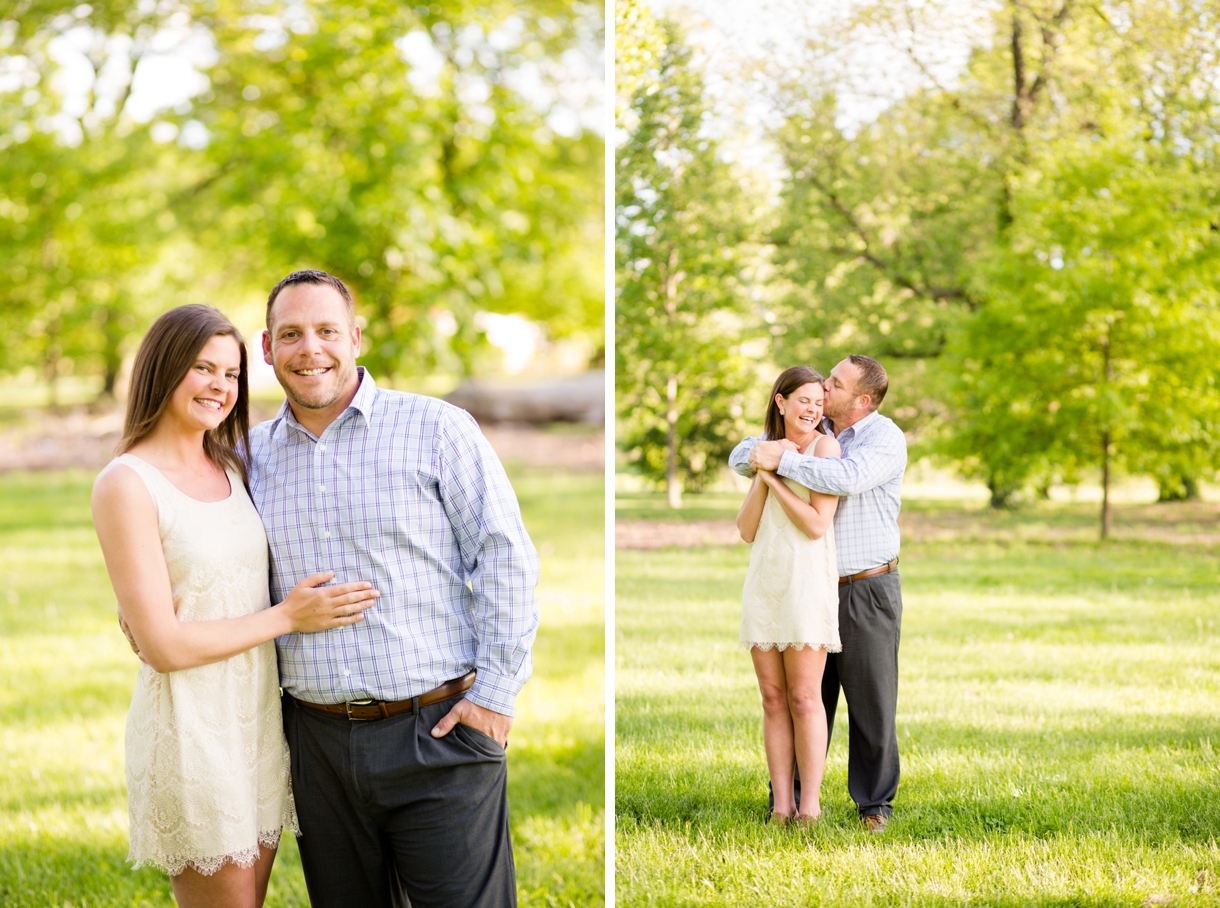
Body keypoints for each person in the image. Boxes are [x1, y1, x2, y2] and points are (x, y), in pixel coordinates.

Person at [249, 269, 540, 908]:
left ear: (355, 338)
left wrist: (494, 696)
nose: (310, 349)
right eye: (290, 334)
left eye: (326, 330)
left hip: (437, 730)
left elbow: (503, 554)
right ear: (267, 349)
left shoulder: (436, 428)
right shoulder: (249, 456)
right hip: (315, 745)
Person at [92, 305, 380, 908]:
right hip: (192, 727)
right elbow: (165, 647)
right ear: (162, 370)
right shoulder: (127, 482)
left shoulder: (231, 463)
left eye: (232, 374)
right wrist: (288, 618)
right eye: (203, 368)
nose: (221, 387)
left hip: (256, 720)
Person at [730, 354, 906, 834]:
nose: (824, 390)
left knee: (870, 701)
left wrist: (778, 459)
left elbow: (844, 480)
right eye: (821, 383)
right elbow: (743, 451)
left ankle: (874, 806)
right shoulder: (813, 422)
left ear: (863, 399)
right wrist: (765, 452)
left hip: (866, 584)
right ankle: (786, 799)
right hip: (807, 583)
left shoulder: (882, 438)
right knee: (805, 698)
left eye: (834, 383)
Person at [736, 366, 842, 826]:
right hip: (765, 583)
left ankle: (810, 806)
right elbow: (745, 530)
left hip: (806, 585)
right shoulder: (765, 449)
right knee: (772, 698)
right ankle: (780, 805)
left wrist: (776, 475)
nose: (813, 409)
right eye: (804, 400)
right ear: (780, 402)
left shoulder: (825, 448)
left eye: (819, 402)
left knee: (804, 697)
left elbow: (817, 524)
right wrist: (764, 470)